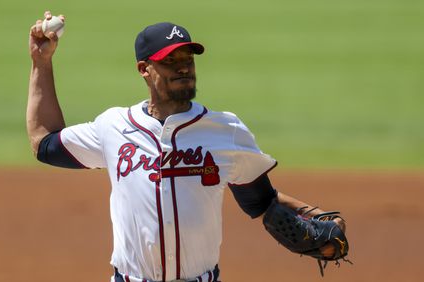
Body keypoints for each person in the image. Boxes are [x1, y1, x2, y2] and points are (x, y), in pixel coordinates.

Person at [27, 11, 347, 282]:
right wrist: (41, 62)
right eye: (171, 60)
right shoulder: (114, 127)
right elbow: (45, 142)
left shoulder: (226, 130)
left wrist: (320, 218)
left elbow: (262, 202)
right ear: (144, 69)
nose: (183, 67)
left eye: (187, 58)